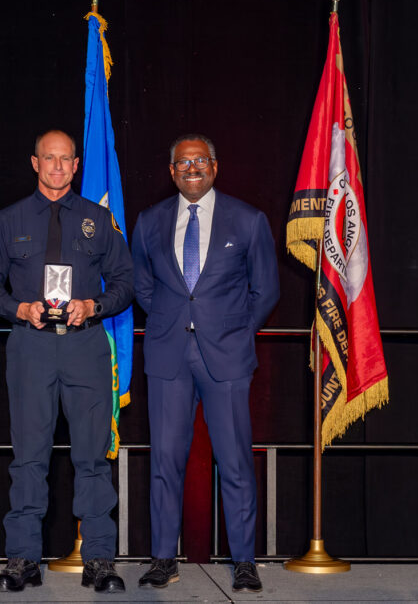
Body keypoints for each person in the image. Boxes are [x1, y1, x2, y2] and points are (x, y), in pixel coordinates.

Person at [0, 130, 134, 594]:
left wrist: (95, 306)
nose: (58, 167)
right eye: (50, 158)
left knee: (92, 458)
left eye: (66, 159)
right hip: (31, 346)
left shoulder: (98, 220)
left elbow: (126, 282)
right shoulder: (9, 220)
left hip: (85, 347)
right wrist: (18, 308)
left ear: (77, 164)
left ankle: (99, 559)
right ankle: (23, 559)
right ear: (35, 162)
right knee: (28, 457)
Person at [130, 134, 279, 592]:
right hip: (168, 355)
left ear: (215, 166)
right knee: (166, 462)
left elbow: (266, 291)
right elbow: (143, 286)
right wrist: (174, 322)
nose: (192, 168)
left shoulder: (249, 220)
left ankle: (244, 562)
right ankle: (162, 559)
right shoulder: (149, 221)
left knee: (234, 462)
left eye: (200, 161)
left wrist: (232, 330)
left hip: (227, 358)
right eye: (183, 163)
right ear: (171, 171)